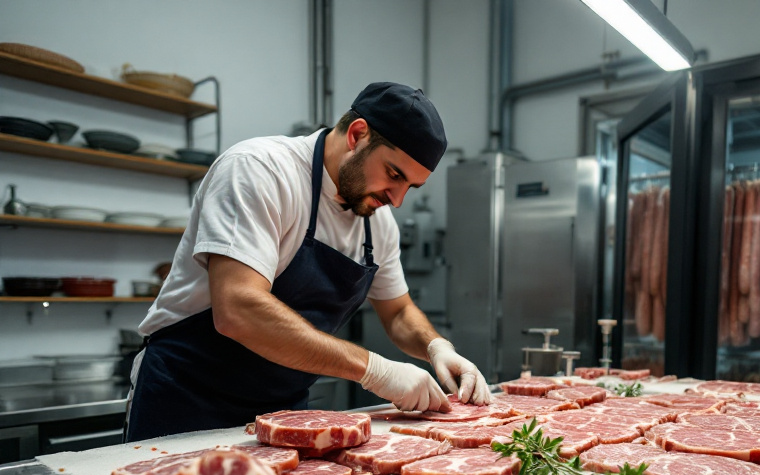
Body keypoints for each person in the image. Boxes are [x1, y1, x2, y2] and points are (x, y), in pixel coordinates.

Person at [124, 81, 490, 441]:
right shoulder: (259, 170)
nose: (397, 200)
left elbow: (397, 311)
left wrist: (436, 347)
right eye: (394, 175)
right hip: (186, 399)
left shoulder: (378, 223)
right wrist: (373, 369)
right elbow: (238, 308)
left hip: (283, 413)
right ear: (357, 134)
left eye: (410, 187)